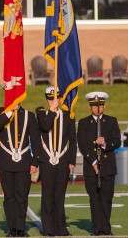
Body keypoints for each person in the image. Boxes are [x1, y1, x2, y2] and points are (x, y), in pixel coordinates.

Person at [0, 99, 39, 237]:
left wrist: (35, 162)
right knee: (9, 197)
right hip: (6, 160)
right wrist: (10, 111)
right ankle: (11, 228)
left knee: (22, 196)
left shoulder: (28, 115)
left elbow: (35, 140)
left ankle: (20, 228)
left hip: (24, 161)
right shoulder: (0, 111)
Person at [76, 92, 121, 236]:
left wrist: (105, 143)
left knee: (106, 198)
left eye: (100, 105)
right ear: (90, 107)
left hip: (107, 167)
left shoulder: (112, 121)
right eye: (94, 106)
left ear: (104, 105)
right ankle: (96, 228)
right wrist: (94, 161)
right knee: (94, 198)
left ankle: (106, 228)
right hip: (91, 167)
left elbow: (117, 141)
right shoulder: (83, 123)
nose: (97, 108)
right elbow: (82, 145)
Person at [35, 86, 76, 237]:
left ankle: (61, 227)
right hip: (46, 161)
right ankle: (48, 228)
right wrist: (52, 110)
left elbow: (73, 139)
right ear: (47, 100)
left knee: (60, 195)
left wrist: (72, 160)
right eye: (50, 98)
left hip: (63, 160)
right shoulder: (42, 115)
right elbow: (45, 127)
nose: (53, 101)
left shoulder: (68, 116)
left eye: (56, 98)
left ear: (60, 99)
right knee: (47, 195)